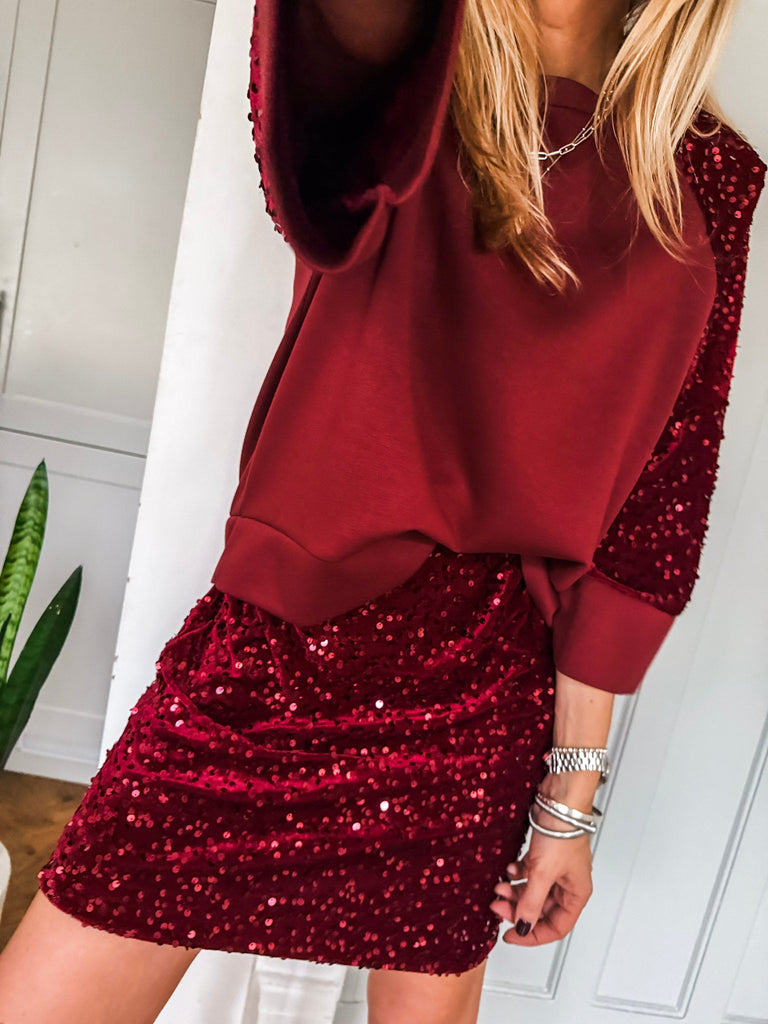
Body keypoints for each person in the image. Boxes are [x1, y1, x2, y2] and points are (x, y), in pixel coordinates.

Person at [0, 0, 764, 1022]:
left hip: (487, 690)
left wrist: (570, 803)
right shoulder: (398, 66)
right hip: (275, 655)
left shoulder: (710, 174)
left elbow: (657, 513)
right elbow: (313, 119)